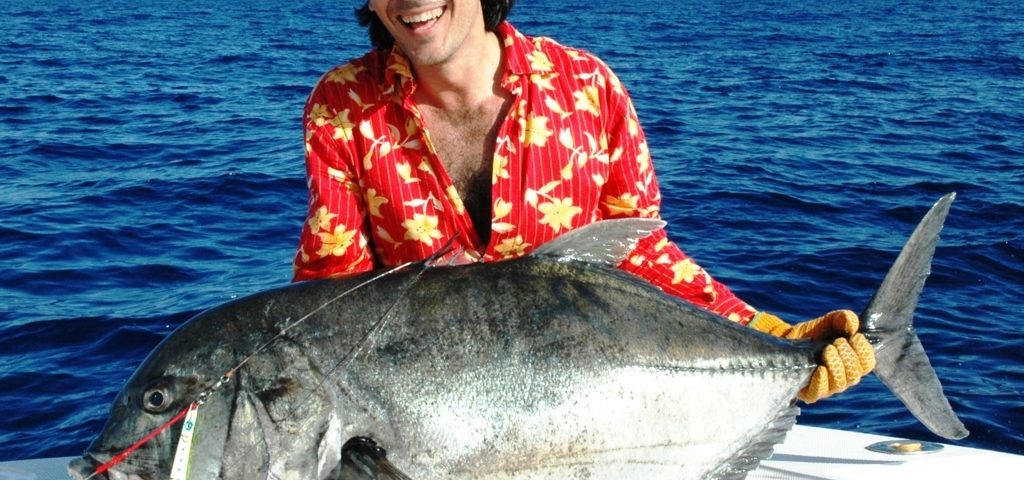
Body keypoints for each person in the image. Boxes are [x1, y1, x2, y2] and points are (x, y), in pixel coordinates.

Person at [292, 0, 873, 403]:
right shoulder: (342, 106)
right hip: (428, 416)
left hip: (584, 405)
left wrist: (774, 337)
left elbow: (644, 256)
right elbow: (332, 288)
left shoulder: (587, 89)